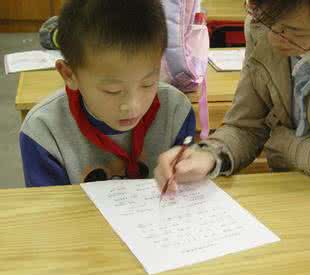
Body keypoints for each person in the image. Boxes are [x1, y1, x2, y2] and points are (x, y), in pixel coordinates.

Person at [155, 0, 310, 192]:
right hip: (290, 195)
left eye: (294, 31)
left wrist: (283, 144)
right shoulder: (267, 22)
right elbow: (246, 126)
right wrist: (210, 154)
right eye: (264, 17)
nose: (272, 39)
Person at [20, 0, 196, 187]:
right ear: (69, 74)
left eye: (147, 84)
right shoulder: (43, 132)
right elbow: (49, 212)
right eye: (112, 91)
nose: (132, 106)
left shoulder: (176, 112)